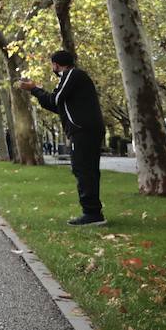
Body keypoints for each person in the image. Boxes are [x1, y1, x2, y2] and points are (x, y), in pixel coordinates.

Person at [18, 50, 106, 226]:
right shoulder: (73, 78)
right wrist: (36, 91)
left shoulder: (71, 74)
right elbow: (55, 104)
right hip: (86, 130)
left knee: (83, 169)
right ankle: (93, 211)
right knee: (86, 169)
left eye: (52, 65)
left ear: (56, 65)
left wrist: (33, 89)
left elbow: (56, 98)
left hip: (83, 130)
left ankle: (92, 213)